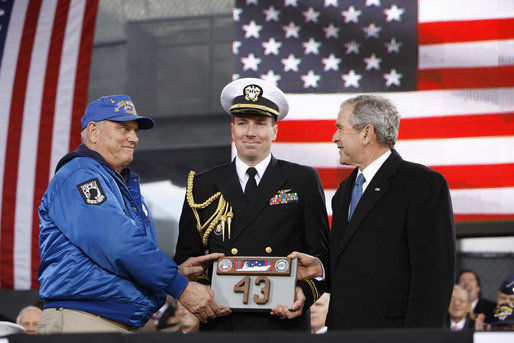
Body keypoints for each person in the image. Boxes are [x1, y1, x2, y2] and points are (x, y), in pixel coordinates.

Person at [37, 95, 229, 334]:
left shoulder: (116, 183)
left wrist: (174, 272)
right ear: (94, 132)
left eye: (135, 131)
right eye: (123, 128)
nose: (134, 138)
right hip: (83, 319)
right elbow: (118, 244)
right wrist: (181, 287)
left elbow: (118, 257)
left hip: (106, 321)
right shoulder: (80, 175)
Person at [174, 78, 330, 331]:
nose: (250, 132)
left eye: (260, 124)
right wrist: (200, 287)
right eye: (243, 123)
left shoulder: (303, 180)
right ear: (232, 128)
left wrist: (304, 292)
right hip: (222, 321)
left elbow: (320, 256)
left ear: (275, 130)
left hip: (282, 322)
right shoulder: (203, 183)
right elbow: (185, 257)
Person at [324, 94, 455, 329]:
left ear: (366, 133)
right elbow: (350, 267)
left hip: (394, 334)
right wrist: (320, 267)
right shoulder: (344, 192)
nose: (334, 138)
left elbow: (433, 276)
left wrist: (419, 339)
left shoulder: (422, 184)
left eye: (340, 128)